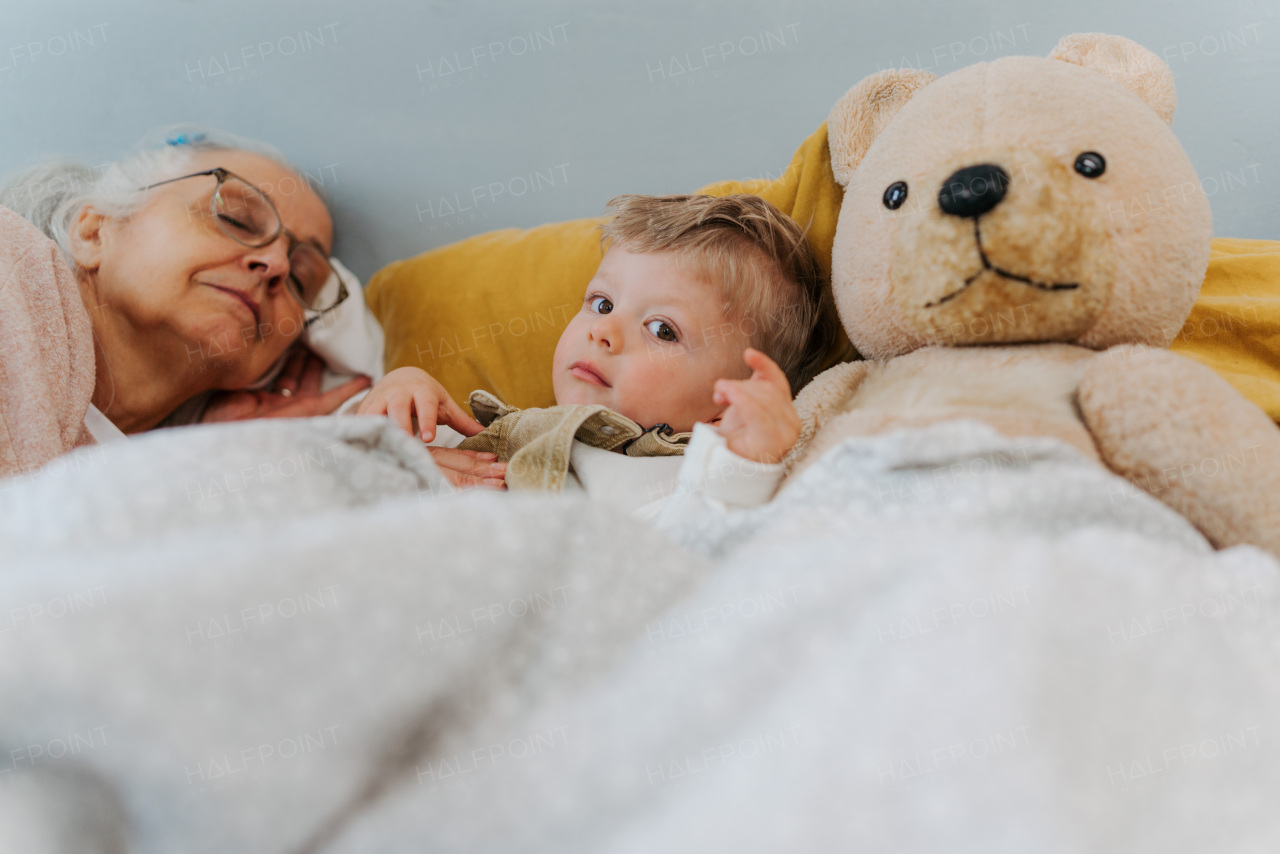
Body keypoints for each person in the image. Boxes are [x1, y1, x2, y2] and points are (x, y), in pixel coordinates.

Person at [0, 127, 501, 486]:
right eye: (237, 218)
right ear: (93, 229)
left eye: (303, 278)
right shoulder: (11, 264)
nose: (277, 264)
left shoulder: (185, 478)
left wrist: (244, 460)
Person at [355, 193, 840, 513]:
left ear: (728, 408)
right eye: (602, 303)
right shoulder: (506, 432)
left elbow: (710, 542)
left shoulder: (683, 479)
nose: (604, 330)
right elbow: (385, 476)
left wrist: (748, 465)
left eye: (661, 329)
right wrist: (396, 400)